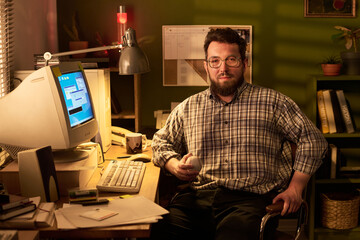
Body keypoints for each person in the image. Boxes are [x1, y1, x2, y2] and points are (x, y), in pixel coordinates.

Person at [151, 27, 328, 240]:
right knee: (159, 231)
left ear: (244, 64)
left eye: (231, 60)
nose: (223, 68)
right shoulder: (188, 107)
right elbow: (160, 141)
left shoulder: (273, 103)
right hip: (196, 199)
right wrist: (174, 165)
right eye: (215, 61)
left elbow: (314, 140)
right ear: (206, 67)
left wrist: (296, 187)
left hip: (249, 202)